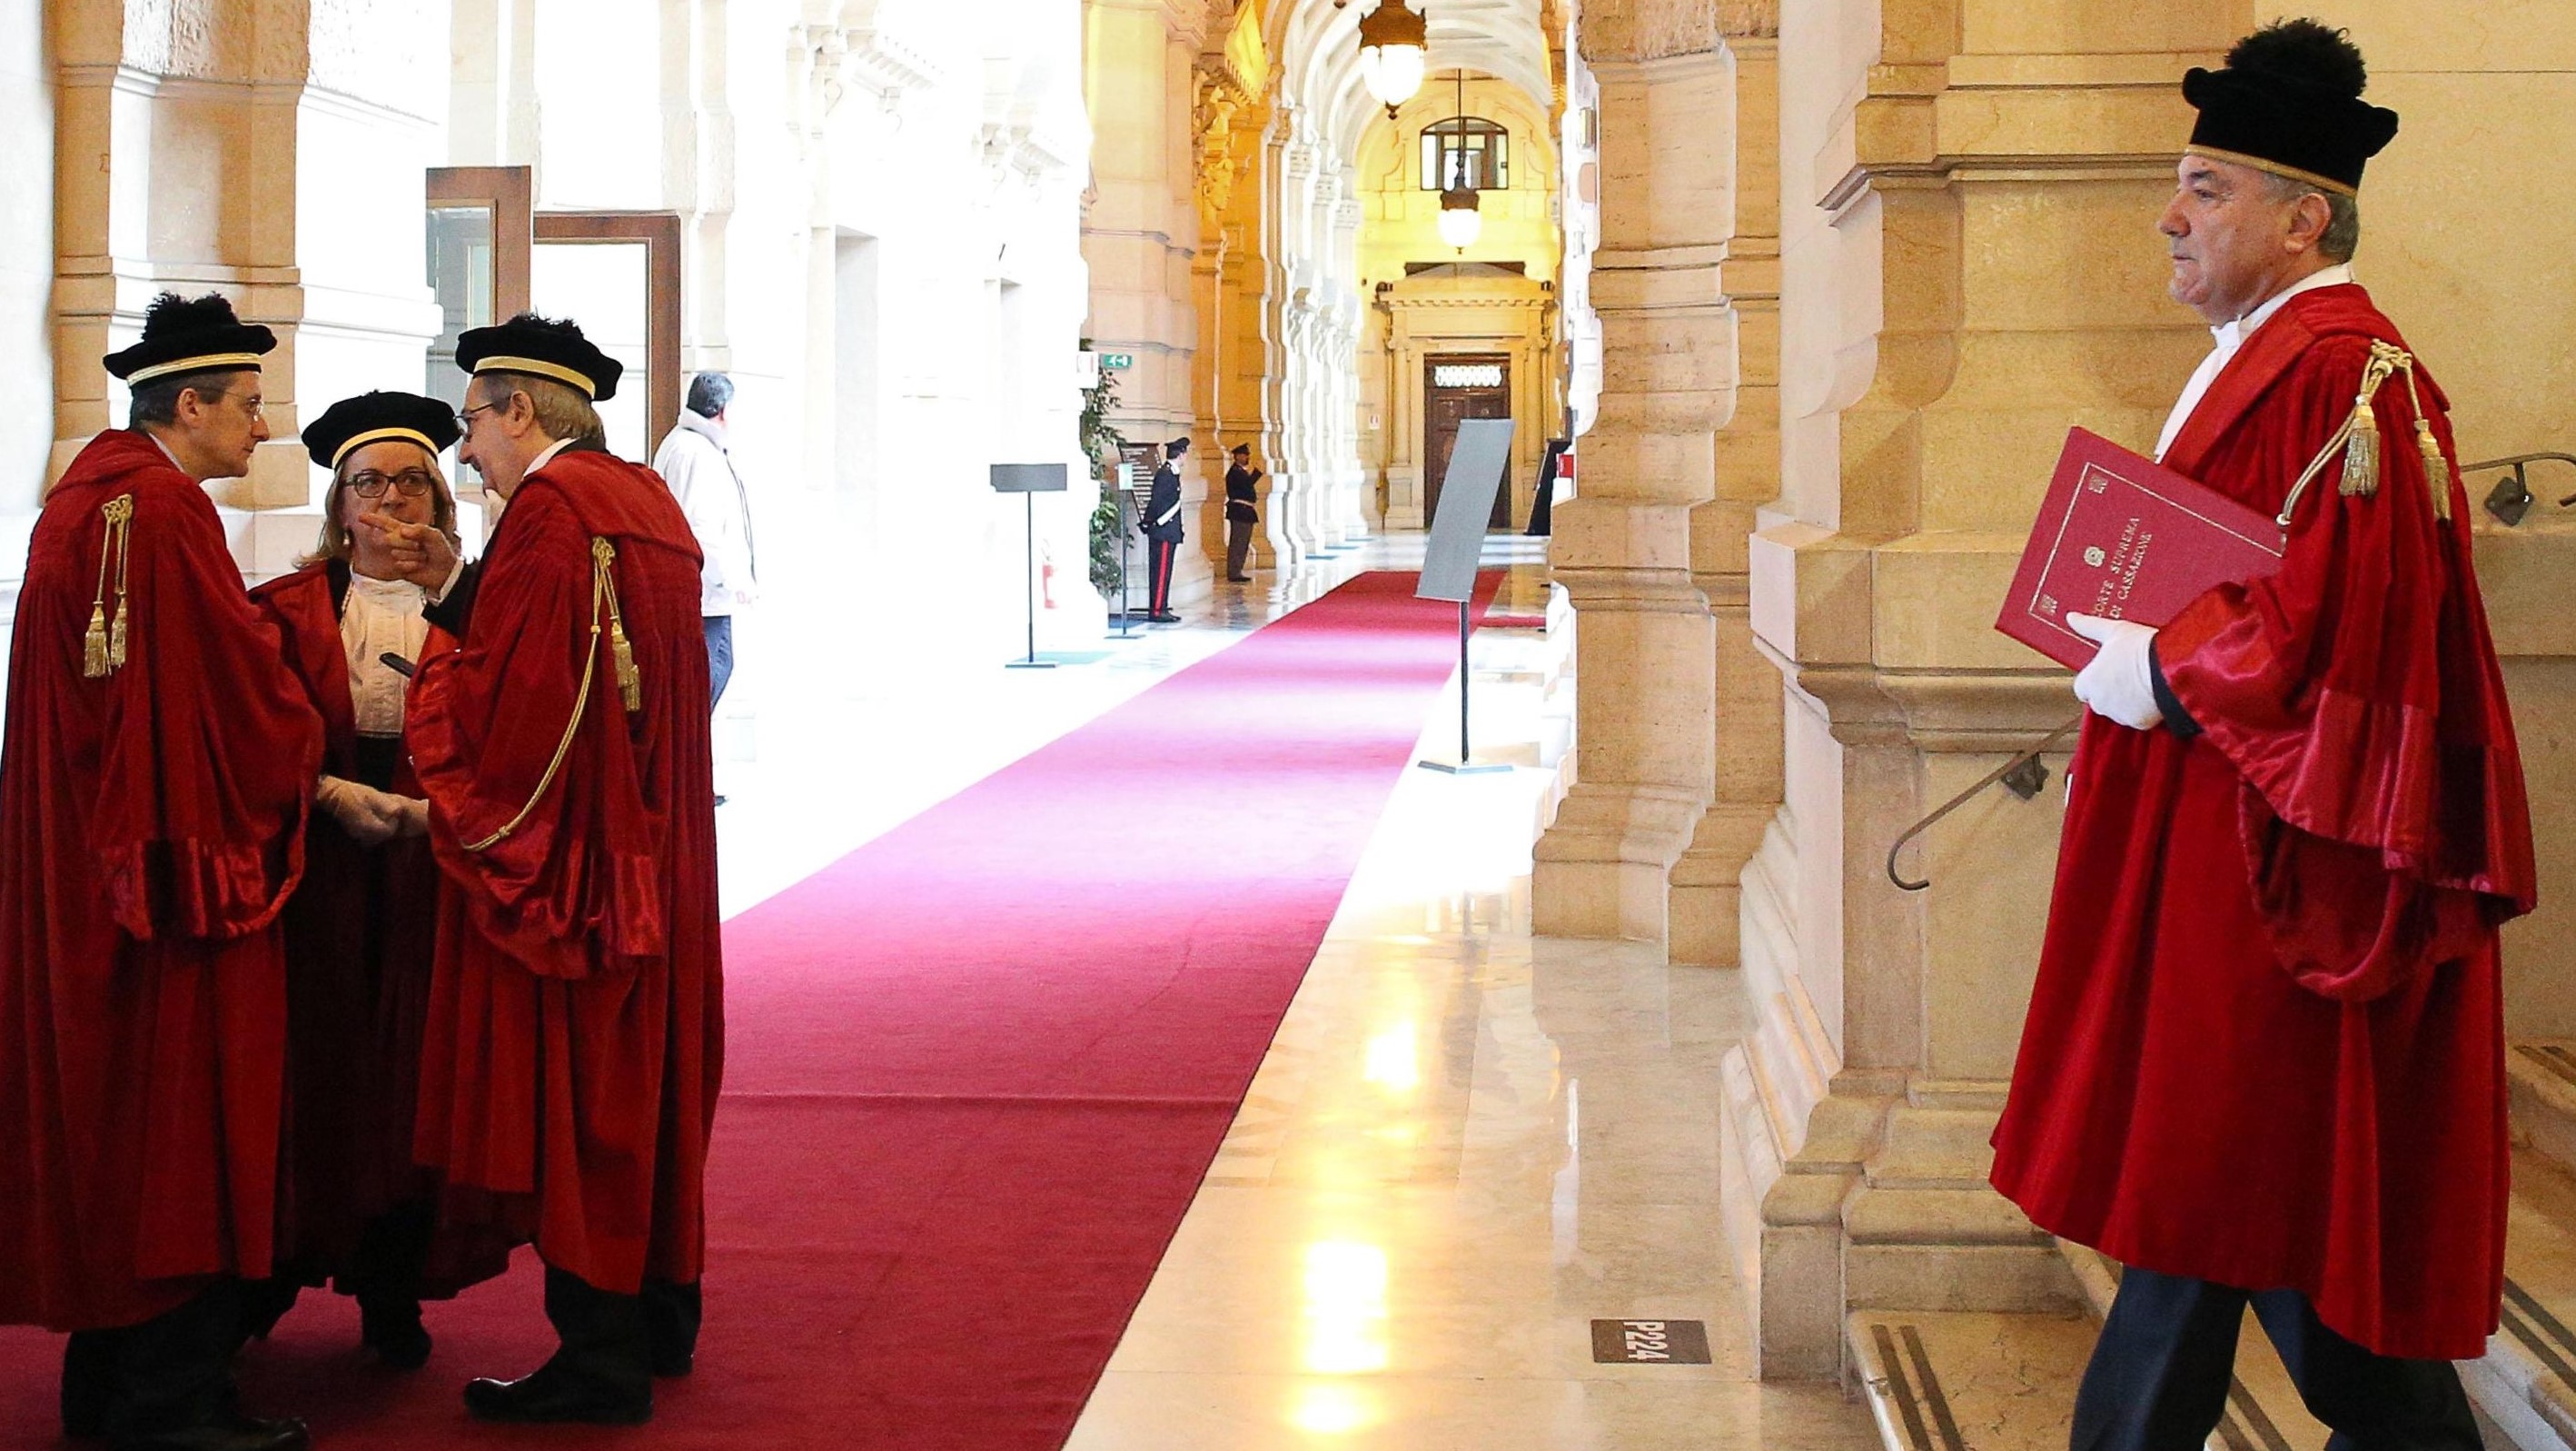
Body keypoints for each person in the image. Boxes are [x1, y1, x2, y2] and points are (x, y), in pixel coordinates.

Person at [1987, 21, 2535, 1447]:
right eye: (2182, 183)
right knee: (2232, 1208)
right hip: (2226, 844)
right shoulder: (2278, 356)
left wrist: (2161, 671)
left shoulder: (2350, 375)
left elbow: (2343, 628)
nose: (2171, 217)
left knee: (2218, 1189)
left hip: (2276, 869)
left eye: (2208, 189)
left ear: (2304, 218)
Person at [0, 292, 322, 1451]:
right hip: (168, 879)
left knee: (115, 1117)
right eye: (246, 406)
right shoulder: (160, 515)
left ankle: (109, 1387)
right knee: (180, 1118)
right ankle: (170, 1402)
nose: (259, 429)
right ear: (188, 404)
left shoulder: (82, 503)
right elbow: (241, 702)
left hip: (82, 864)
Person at [389, 314, 723, 1426]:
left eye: (473, 422)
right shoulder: (643, 503)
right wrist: (459, 594)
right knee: (647, 1085)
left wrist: (432, 669)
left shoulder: (551, 515)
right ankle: (661, 1309)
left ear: (522, 410)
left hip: (578, 871)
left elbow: (515, 716)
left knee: (583, 1095)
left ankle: (602, 1357)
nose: (464, 451)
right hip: (655, 855)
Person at [240, 392, 510, 1371]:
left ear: (443, 502)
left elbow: (522, 731)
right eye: (370, 482)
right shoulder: (282, 610)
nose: (391, 501)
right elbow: (246, 732)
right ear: (339, 505)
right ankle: (267, 1279)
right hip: (318, 883)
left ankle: (393, 1290)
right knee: (313, 1079)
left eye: (413, 482)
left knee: (413, 1086)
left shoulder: (482, 611)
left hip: (433, 878)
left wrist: (429, 812)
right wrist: (320, 790)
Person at [649, 372, 758, 740]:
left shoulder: (682, 444)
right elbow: (703, 530)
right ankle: (692, 783)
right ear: (723, 411)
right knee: (710, 678)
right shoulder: (698, 453)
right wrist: (732, 580)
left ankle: (691, 779)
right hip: (705, 596)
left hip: (694, 592)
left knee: (700, 687)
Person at [1141, 435, 1187, 622]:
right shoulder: (1166, 474)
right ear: (1181, 455)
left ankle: (1161, 606)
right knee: (1160, 572)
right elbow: (1158, 502)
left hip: (1168, 529)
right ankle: (1158, 609)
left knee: (1164, 571)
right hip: (1164, 530)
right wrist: (1153, 522)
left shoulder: (1171, 473)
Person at [1222, 442, 1259, 582]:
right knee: (1238, 542)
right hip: (1240, 511)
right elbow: (1246, 486)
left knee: (1243, 542)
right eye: (1245, 455)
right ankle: (1234, 571)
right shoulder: (1235, 473)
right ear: (1238, 456)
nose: (1247, 457)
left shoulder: (1240, 472)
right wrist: (1255, 474)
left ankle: (1237, 570)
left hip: (1245, 511)